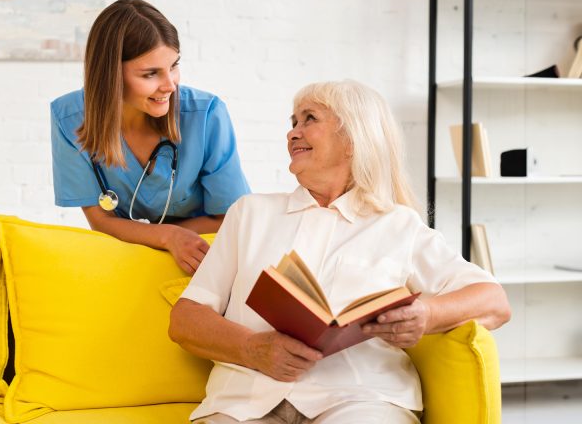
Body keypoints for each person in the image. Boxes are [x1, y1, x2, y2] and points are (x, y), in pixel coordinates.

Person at [169, 80, 511, 423]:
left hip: (361, 400)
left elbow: (494, 302)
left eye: (309, 119)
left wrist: (426, 314)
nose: (292, 134)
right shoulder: (249, 213)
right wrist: (252, 349)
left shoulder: (398, 225)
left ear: (353, 140)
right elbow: (185, 319)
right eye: (293, 123)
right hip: (244, 403)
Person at [51, 0, 250, 274]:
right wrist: (167, 237)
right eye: (151, 74)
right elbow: (101, 221)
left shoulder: (206, 115)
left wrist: (160, 236)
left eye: (174, 66)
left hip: (205, 257)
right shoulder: (69, 119)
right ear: (111, 76)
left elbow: (230, 219)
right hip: (127, 260)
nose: (170, 85)